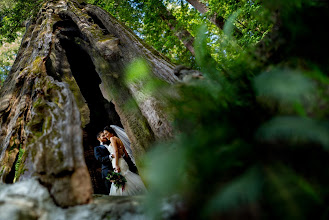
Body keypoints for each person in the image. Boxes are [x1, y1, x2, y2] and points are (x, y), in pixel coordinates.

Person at [103, 126, 147, 196]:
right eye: (104, 134)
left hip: (118, 162)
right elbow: (124, 153)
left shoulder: (112, 138)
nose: (105, 136)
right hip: (121, 161)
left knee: (123, 179)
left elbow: (116, 151)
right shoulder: (118, 139)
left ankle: (128, 196)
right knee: (125, 179)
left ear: (111, 133)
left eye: (106, 133)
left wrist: (116, 164)